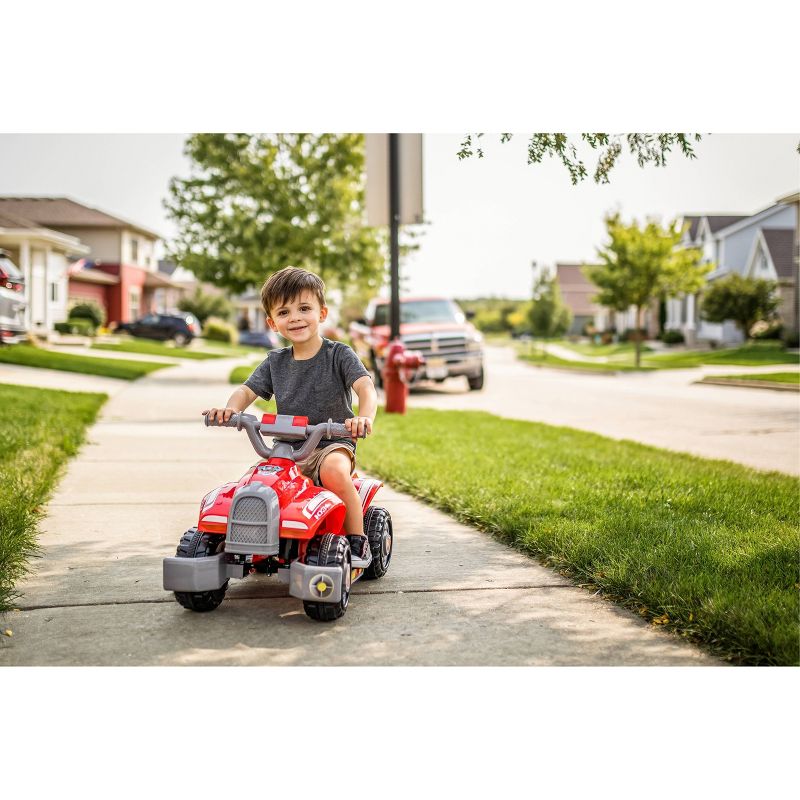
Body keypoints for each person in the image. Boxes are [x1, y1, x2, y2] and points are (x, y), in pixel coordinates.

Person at [202, 266, 378, 567]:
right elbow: (246, 391)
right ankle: (253, 543)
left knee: (335, 472)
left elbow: (365, 387)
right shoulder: (275, 362)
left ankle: (357, 540)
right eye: (284, 312)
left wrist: (364, 418)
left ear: (322, 314)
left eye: (304, 308)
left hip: (330, 443)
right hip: (286, 449)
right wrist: (231, 410)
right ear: (272, 322)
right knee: (252, 483)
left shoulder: (338, 355)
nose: (295, 317)